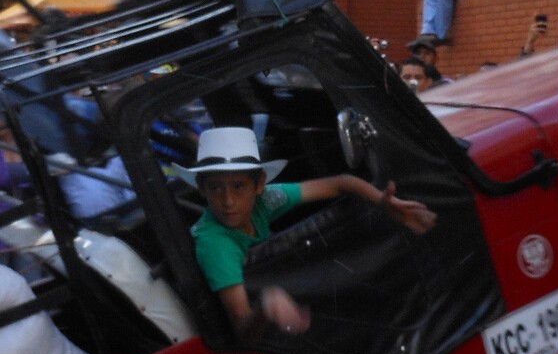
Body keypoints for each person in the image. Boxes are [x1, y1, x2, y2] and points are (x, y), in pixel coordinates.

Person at [176, 125, 435, 339]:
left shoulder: (265, 202)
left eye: (238, 186)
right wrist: (267, 305)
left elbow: (340, 183)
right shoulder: (215, 246)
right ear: (202, 189)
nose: (228, 201)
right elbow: (242, 328)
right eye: (215, 188)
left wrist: (383, 203)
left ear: (260, 185)